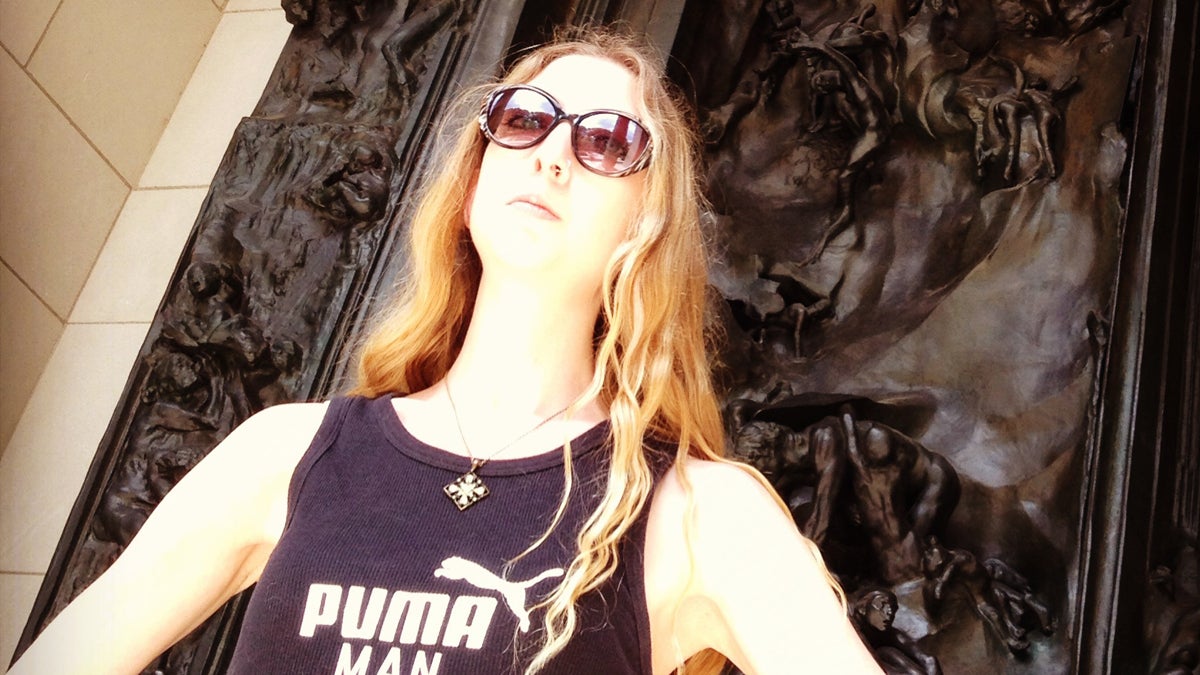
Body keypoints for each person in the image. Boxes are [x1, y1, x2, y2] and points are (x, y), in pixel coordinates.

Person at [9, 31, 880, 675]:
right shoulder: (288, 454)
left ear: (646, 224)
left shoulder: (698, 515)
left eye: (607, 140)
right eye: (526, 119)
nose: (551, 154)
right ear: (474, 174)